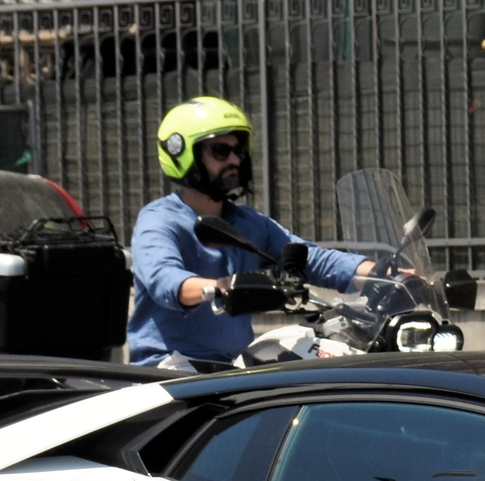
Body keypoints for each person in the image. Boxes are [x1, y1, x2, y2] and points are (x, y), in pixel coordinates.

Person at [125, 96, 381, 370]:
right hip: (169, 371)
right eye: (221, 151)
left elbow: (310, 258)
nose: (234, 159)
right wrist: (220, 288)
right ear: (182, 154)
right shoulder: (159, 220)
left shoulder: (246, 222)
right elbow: (165, 280)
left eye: (238, 150)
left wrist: (383, 274)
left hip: (231, 369)